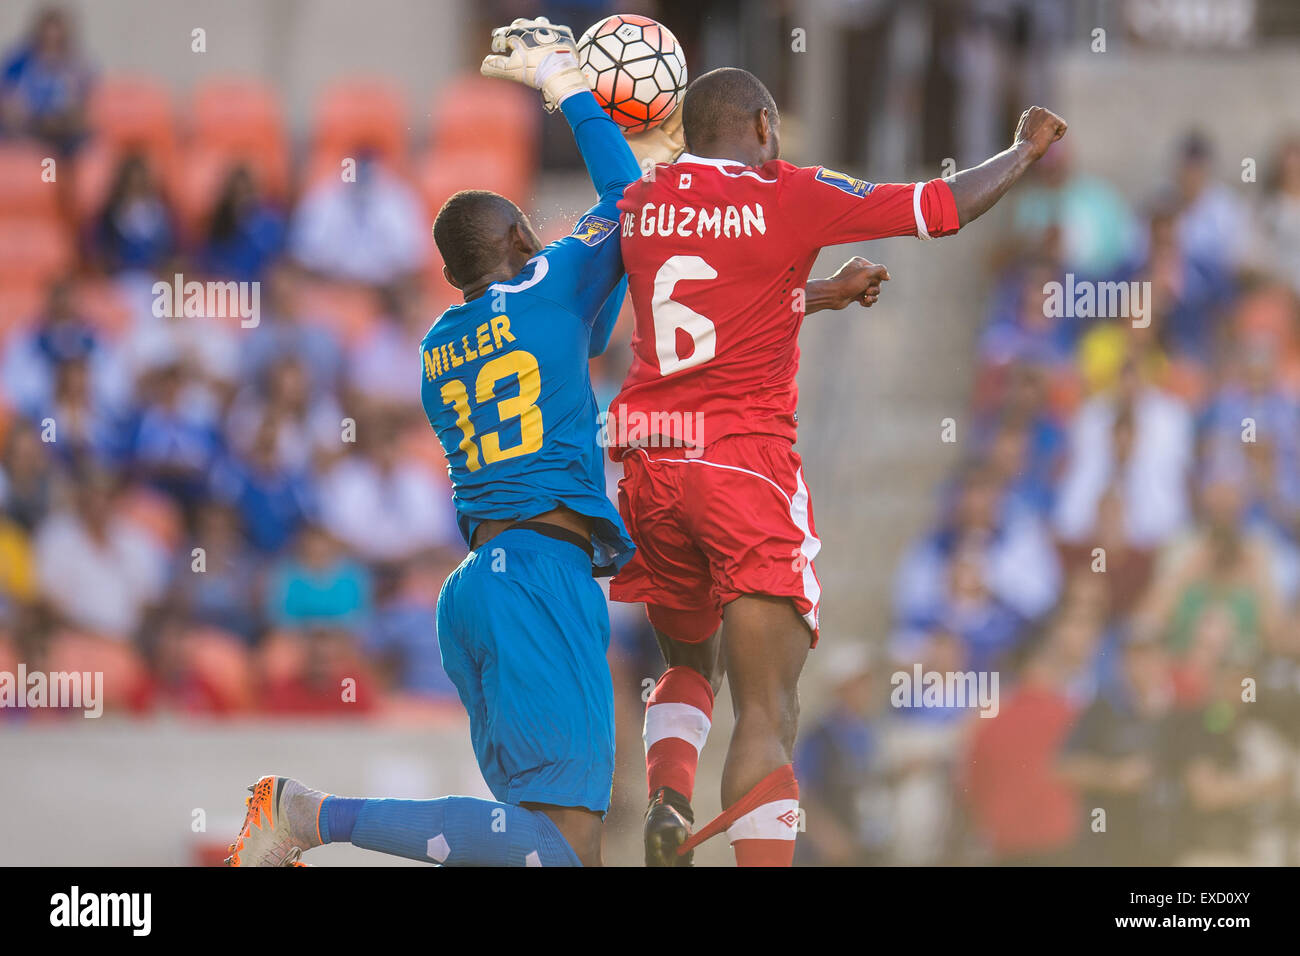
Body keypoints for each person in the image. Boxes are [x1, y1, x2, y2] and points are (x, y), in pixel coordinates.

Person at [223, 18, 895, 868]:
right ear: (514, 243)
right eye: (528, 232)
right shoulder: (545, 289)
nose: (543, 238)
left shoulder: (437, 347)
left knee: (543, 851)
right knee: (561, 846)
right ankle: (307, 814)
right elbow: (631, 201)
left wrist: (809, 297)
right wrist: (569, 88)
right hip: (542, 576)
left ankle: (309, 817)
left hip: (475, 588)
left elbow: (600, 313)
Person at [604, 65, 1066, 865]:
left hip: (648, 461)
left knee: (687, 662)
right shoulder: (788, 189)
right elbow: (942, 208)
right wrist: (1025, 149)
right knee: (768, 710)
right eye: (775, 131)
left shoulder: (644, 201)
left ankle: (669, 798)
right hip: (742, 466)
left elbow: (713, 301)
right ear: (758, 124)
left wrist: (818, 294)